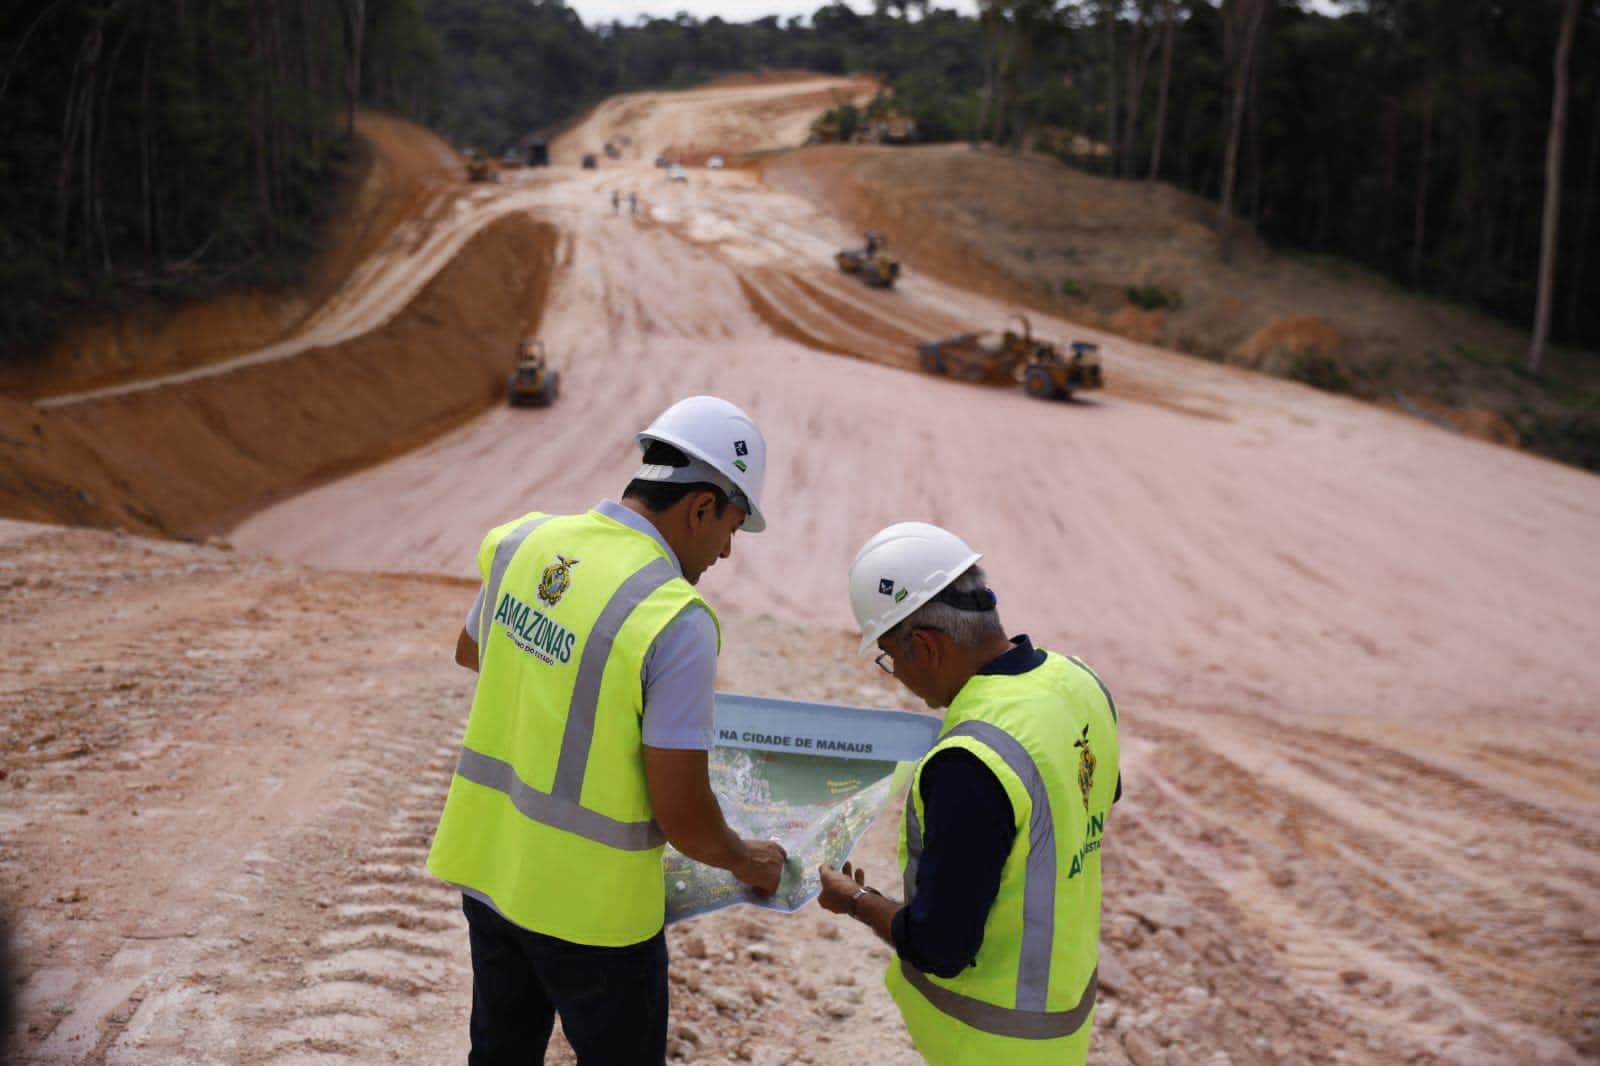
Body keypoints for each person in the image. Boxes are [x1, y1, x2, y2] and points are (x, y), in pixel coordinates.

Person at [428, 395, 788, 1065]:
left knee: (499, 1053)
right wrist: (748, 860)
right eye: (732, 527)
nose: (728, 549)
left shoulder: (527, 541)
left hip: (492, 868)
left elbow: (474, 650)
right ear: (702, 507)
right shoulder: (675, 618)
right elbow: (681, 815)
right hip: (593, 917)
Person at [817, 521, 1121, 1066]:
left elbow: (941, 947)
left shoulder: (972, 760)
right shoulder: (1080, 682)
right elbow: (1093, 796)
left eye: (890, 656)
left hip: (991, 1045)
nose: (898, 675)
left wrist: (857, 902)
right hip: (1061, 1024)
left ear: (927, 647)